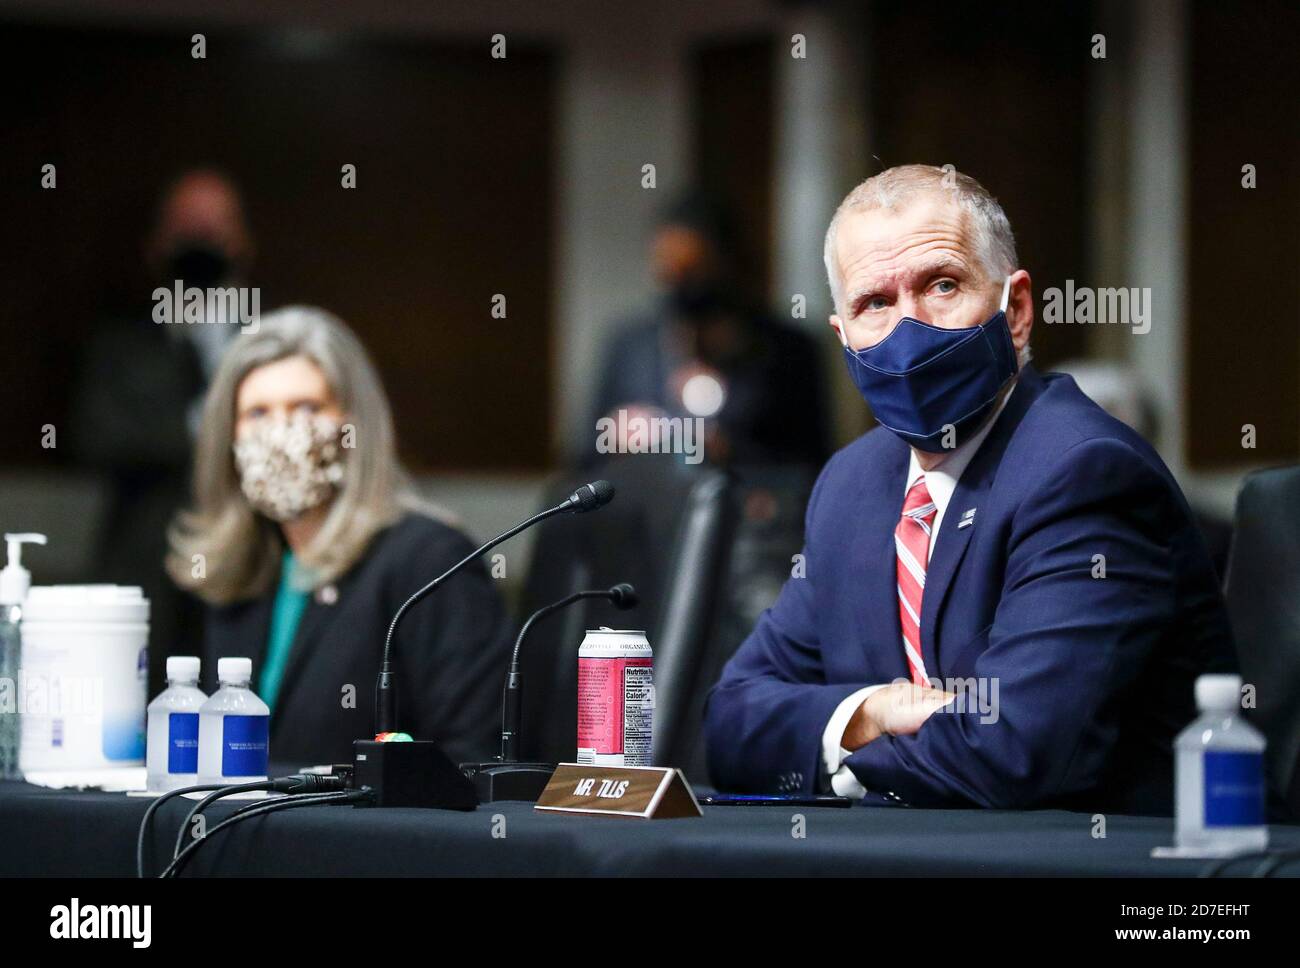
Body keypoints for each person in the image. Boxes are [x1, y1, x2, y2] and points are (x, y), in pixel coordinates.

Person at [704, 165, 1233, 815]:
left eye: (942, 285)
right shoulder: (850, 485)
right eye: (876, 302)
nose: (910, 329)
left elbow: (1015, 749)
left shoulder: (1085, 471)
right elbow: (732, 718)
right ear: (843, 338)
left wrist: (832, 754)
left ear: (1016, 310)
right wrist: (871, 711)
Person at [166, 306, 509, 766]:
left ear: (353, 427)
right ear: (228, 436)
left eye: (307, 407)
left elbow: (476, 761)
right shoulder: (238, 567)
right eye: (258, 413)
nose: (282, 431)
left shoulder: (430, 561)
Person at [70, 169, 259, 694]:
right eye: (186, 230)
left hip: (246, 560)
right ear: (156, 245)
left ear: (242, 242)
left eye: (213, 230)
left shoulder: (268, 337)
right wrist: (208, 431)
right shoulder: (120, 341)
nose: (200, 245)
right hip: (143, 562)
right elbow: (98, 435)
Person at [587, 191, 830, 468]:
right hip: (652, 506)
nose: (677, 288)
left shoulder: (789, 351)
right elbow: (585, 459)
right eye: (667, 272)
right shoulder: (629, 347)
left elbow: (812, 463)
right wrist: (616, 437)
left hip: (747, 506)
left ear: (728, 264)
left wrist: (728, 449)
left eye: (693, 272)